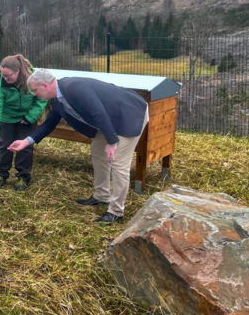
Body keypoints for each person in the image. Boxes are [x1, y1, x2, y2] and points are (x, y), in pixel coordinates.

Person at [8, 69, 149, 223]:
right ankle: (102, 196)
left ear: (44, 85)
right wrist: (27, 141)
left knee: (118, 161)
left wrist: (111, 141)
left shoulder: (74, 86)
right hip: (109, 120)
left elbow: (98, 112)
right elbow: (49, 124)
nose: (34, 94)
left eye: (35, 90)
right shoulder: (57, 100)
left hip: (128, 115)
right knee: (97, 150)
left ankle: (116, 212)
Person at [0, 55, 47, 191]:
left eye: (8, 76)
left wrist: (30, 117)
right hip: (7, 117)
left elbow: (41, 99)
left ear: (18, 71)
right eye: (3, 75)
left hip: (27, 116)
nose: (5, 78)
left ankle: (23, 177)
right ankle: (1, 175)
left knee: (25, 147)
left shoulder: (34, 79)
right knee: (4, 146)